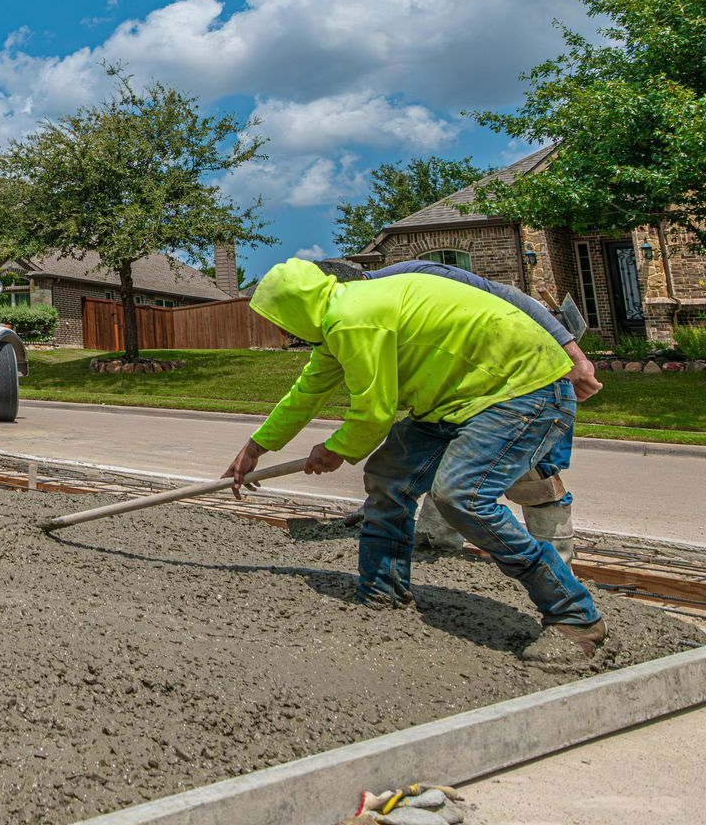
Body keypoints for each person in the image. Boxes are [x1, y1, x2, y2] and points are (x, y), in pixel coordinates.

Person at [222, 258, 605, 662]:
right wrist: (256, 448)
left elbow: (373, 414)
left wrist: (334, 450)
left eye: (278, 319)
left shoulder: (353, 317)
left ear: (294, 308)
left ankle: (575, 616)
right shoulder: (337, 322)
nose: (280, 330)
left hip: (523, 390)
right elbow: (304, 395)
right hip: (455, 400)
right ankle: (382, 592)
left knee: (463, 496)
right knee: (389, 477)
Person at [317, 258, 597, 558]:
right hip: (468, 377)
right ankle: (434, 543)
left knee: (534, 472)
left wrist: (576, 358)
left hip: (527, 360)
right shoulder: (368, 316)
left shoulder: (417, 275)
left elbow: (511, 296)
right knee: (448, 452)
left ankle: (556, 559)